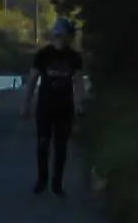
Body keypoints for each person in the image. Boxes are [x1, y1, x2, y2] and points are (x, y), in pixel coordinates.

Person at [23, 19, 87, 196]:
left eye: (63, 36)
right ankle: (42, 180)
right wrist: (26, 104)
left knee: (61, 147)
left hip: (65, 107)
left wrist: (80, 104)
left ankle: (57, 183)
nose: (60, 39)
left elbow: (78, 82)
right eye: (58, 35)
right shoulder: (43, 55)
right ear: (55, 36)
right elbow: (32, 80)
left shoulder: (74, 57)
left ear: (67, 37)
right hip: (45, 106)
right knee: (43, 144)